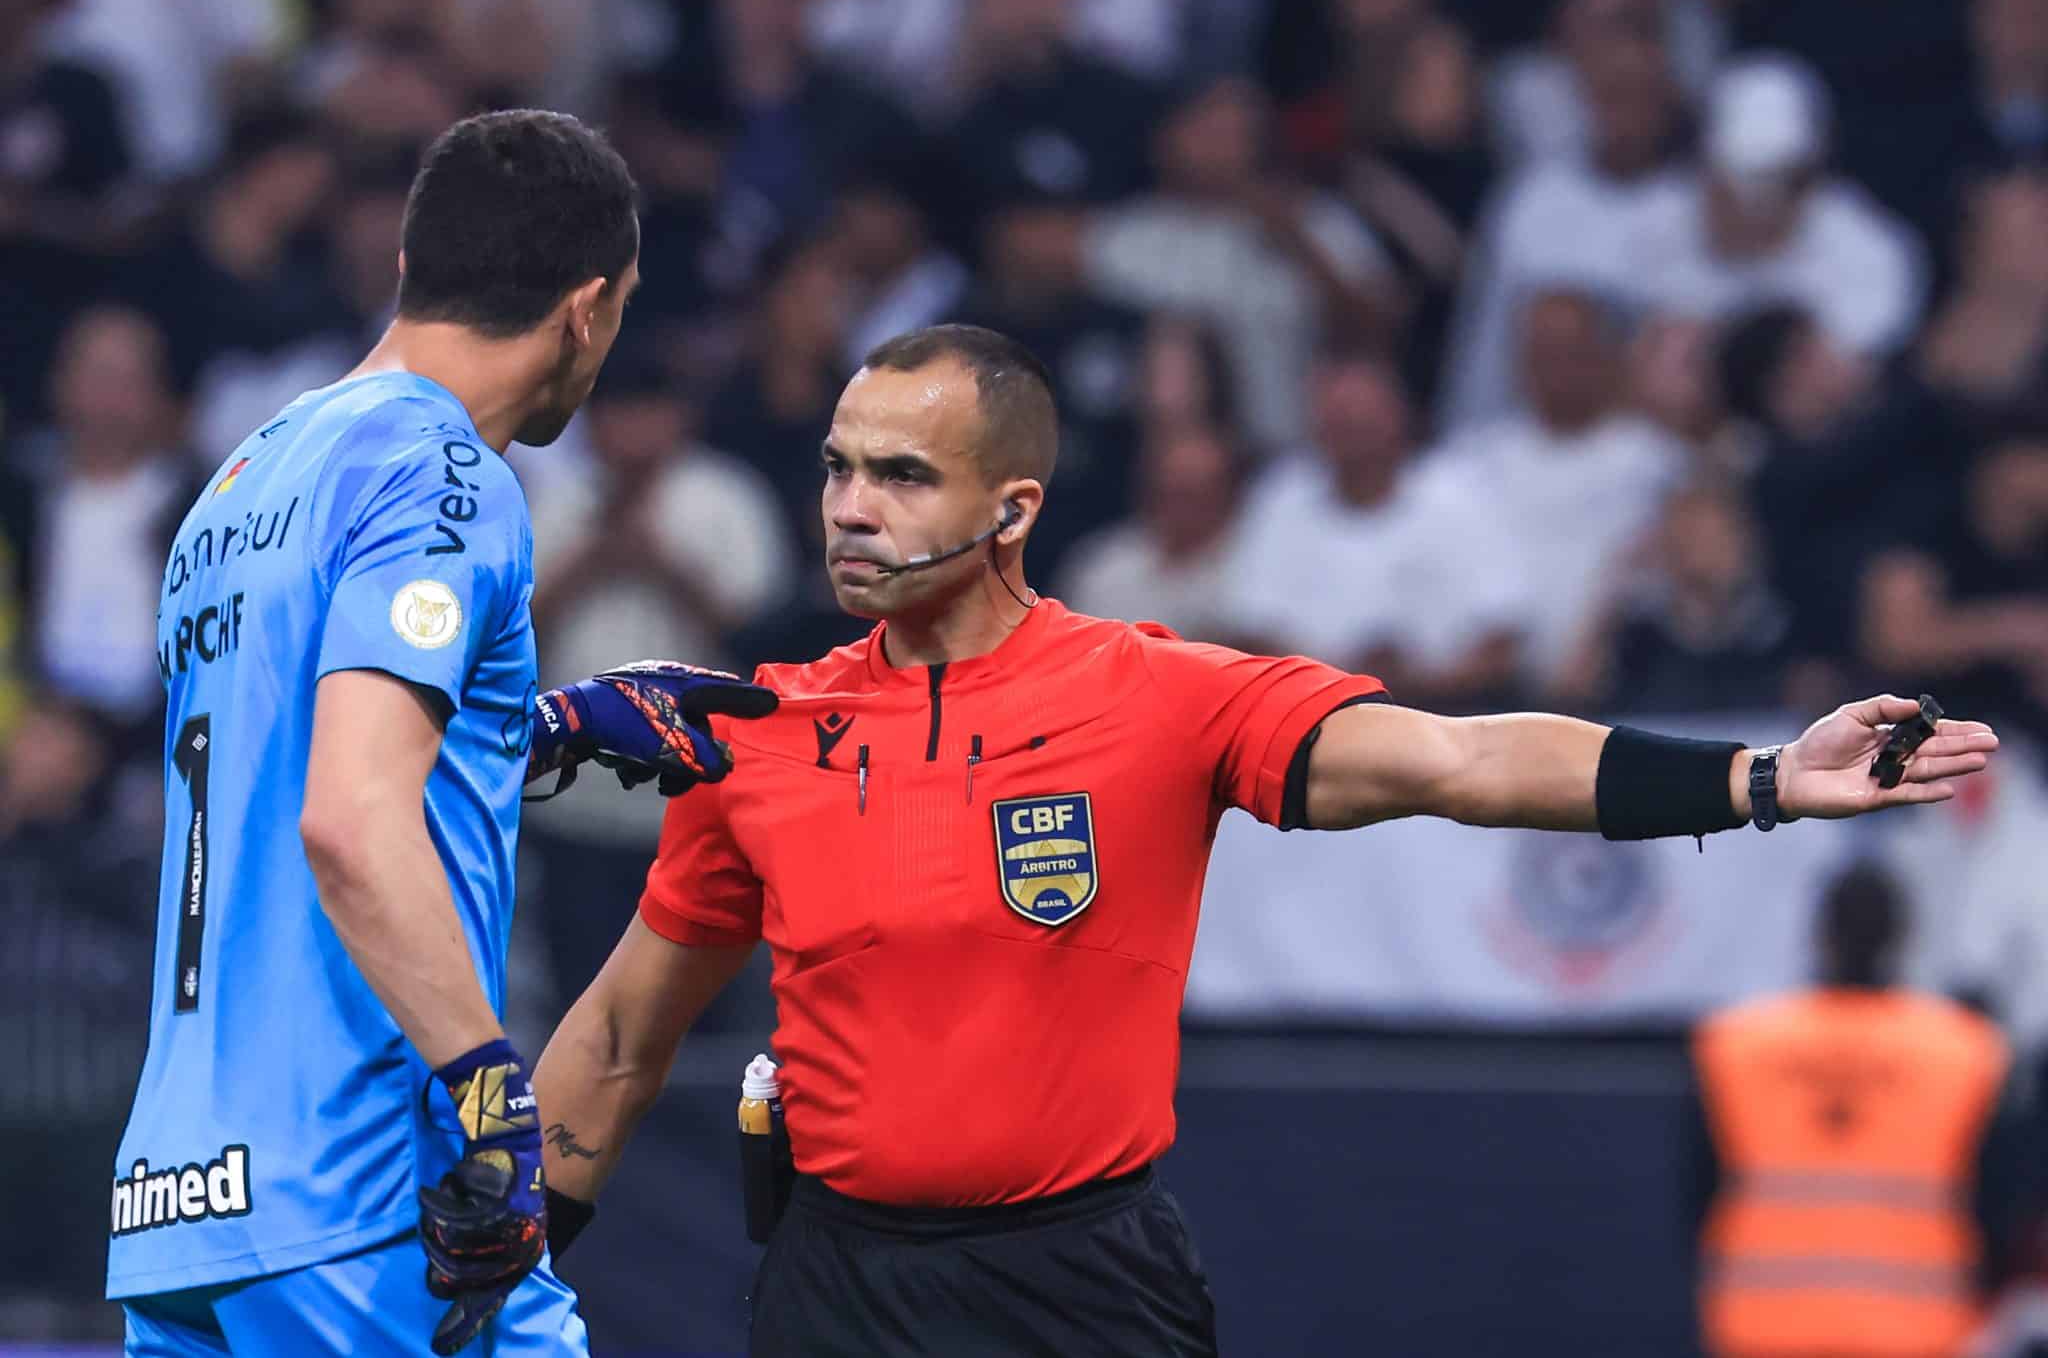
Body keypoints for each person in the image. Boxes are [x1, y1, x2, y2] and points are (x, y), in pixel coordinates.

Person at [532, 323, 2000, 1358]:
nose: (852, 507)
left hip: (1081, 1282)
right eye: (842, 467)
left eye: (904, 476)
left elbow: (1462, 758)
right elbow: (614, 1040)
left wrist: (1753, 776)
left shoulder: (1155, 694)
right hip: (835, 1285)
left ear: (1013, 509)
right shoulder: (758, 730)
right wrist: (493, 1273)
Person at [106, 109, 773, 1358]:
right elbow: (351, 819)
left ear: (411, 270)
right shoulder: (446, 475)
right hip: (357, 1195)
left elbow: (289, 759)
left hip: (186, 1208)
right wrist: (487, 1092)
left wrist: (551, 723)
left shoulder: (246, 475)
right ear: (587, 309)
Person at [1687, 862, 2025, 1358]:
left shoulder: (1736, 1046)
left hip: (1762, 1330)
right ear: (1903, 937)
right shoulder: (1965, 1052)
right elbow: (1999, 1208)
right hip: (1917, 1333)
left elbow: (1696, 1198)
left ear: (1820, 935)